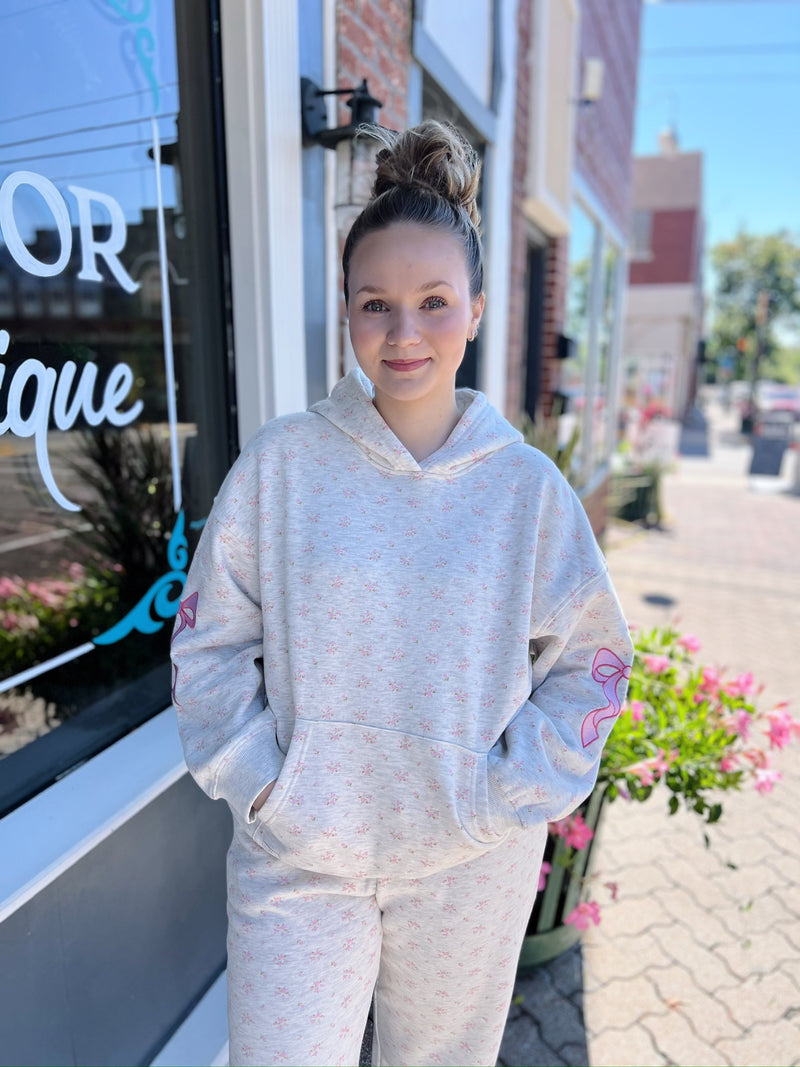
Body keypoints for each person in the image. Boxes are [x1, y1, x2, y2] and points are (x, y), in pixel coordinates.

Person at [170, 120, 633, 1067]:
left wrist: (506, 794)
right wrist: (268, 790)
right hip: (300, 852)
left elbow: (592, 659)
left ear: (474, 310)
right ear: (345, 312)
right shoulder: (284, 465)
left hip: (468, 862)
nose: (404, 331)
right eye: (376, 303)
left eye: (432, 301)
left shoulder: (526, 489)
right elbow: (209, 642)